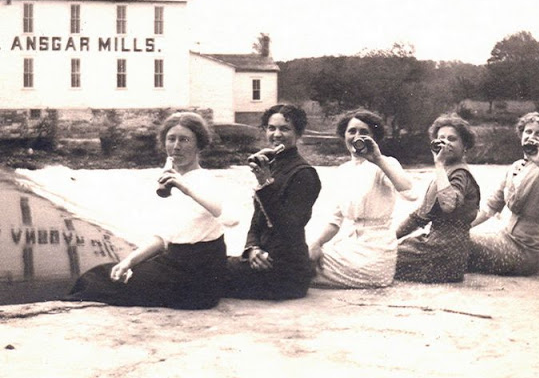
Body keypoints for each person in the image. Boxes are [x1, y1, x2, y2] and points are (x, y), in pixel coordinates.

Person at [66, 112, 232, 309]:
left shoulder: (206, 180)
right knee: (102, 273)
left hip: (198, 275)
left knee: (100, 284)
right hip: (175, 264)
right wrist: (129, 261)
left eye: (184, 140)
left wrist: (186, 188)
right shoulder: (170, 181)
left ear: (199, 145)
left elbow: (230, 218)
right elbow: (163, 237)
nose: (176, 146)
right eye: (171, 139)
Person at [308, 109, 415, 288]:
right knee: (301, 257)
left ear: (374, 138)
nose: (357, 136)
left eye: (364, 132)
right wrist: (316, 243)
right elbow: (334, 221)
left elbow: (410, 194)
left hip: (375, 254)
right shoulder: (343, 171)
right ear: (344, 135)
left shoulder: (385, 164)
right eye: (352, 131)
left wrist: (378, 160)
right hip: (349, 247)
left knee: (297, 265)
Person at [225, 104, 321, 300]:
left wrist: (265, 184)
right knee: (205, 265)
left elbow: (290, 227)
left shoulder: (304, 174)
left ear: (298, 133)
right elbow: (257, 220)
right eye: (271, 128)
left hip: (287, 272)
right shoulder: (271, 165)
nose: (276, 134)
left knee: (205, 272)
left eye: (285, 129)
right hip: (262, 261)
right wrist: (252, 249)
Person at [468, 112, 539, 276]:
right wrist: (463, 227)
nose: (532, 136)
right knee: (458, 239)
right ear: (521, 136)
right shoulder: (515, 167)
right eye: (528, 131)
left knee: (462, 245)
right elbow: (491, 206)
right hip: (505, 238)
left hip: (528, 252)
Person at [395, 114, 481, 283]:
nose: (445, 143)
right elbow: (420, 216)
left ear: (464, 145)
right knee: (388, 249)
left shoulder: (460, 173)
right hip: (440, 248)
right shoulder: (446, 172)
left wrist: (439, 164)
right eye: (441, 138)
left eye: (452, 139)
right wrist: (390, 237)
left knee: (383, 257)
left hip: (444, 254)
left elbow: (448, 205)